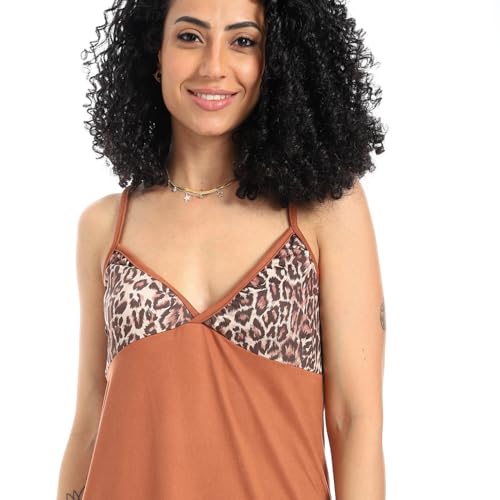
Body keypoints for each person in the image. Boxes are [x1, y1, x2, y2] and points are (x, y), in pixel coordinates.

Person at [57, 0, 387, 498]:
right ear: (155, 53)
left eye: (243, 41)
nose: (214, 66)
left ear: (276, 60)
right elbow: (89, 419)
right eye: (189, 37)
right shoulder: (105, 227)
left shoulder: (323, 210)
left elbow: (354, 420)